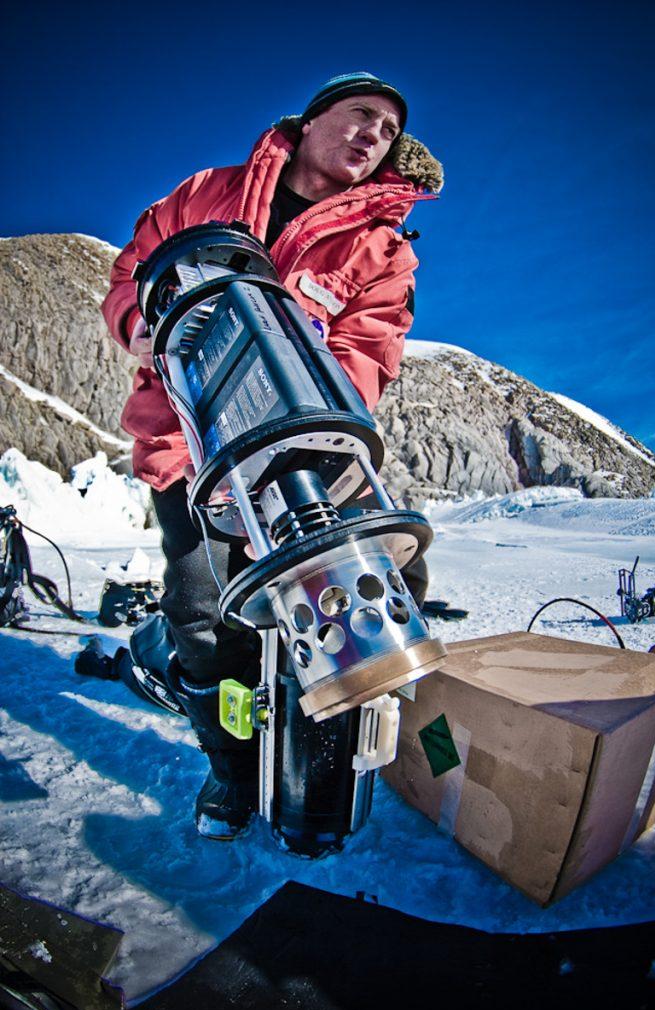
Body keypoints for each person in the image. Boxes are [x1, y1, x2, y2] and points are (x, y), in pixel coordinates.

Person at [101, 71, 443, 840]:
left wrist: (305, 411)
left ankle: (327, 767)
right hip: (184, 449)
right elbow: (130, 272)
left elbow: (371, 346)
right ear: (313, 119)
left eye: (387, 131)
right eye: (360, 115)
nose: (371, 135)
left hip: (304, 453)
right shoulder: (207, 193)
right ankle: (228, 773)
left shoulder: (381, 249)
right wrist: (138, 325)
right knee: (199, 620)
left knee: (371, 597)